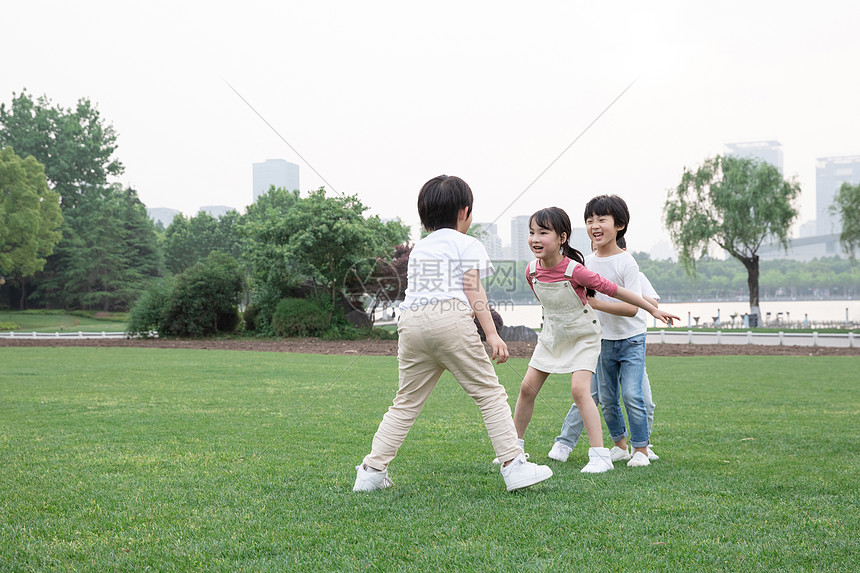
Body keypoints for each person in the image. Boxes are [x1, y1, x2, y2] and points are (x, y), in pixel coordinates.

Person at [353, 175, 553, 492]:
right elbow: (473, 289)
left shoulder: (420, 249)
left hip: (411, 323)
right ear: (464, 212)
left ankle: (370, 472)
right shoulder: (468, 243)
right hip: (450, 320)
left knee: (404, 403)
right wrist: (492, 334)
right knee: (489, 394)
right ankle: (514, 466)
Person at [508, 207, 677, 473]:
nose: (535, 239)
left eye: (543, 232)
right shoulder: (531, 271)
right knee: (527, 389)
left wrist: (652, 309)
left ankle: (601, 456)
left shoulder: (577, 270)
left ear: (562, 237)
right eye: (531, 233)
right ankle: (513, 449)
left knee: (580, 390)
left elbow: (616, 291)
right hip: (552, 337)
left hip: (584, 338)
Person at [577, 194, 671, 467]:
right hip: (603, 341)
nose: (594, 225)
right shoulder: (587, 263)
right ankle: (619, 446)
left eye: (601, 219)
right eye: (589, 220)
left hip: (631, 339)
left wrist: (596, 303)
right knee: (607, 399)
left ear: (619, 225)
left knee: (632, 394)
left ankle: (640, 450)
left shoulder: (627, 263)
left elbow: (632, 308)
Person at [548, 265, 662, 463]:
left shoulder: (633, 271)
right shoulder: (589, 270)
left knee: (641, 398)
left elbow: (653, 303)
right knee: (591, 395)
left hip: (631, 341)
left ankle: (642, 445)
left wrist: (624, 290)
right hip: (600, 342)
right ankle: (566, 442)